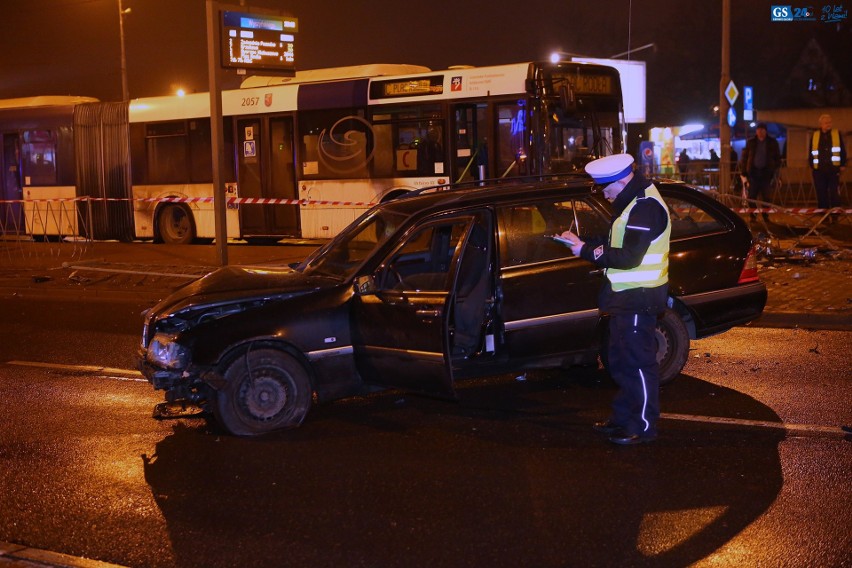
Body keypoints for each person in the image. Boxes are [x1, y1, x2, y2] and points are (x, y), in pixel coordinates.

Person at [560, 154, 671, 446]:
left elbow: (628, 258)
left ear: (622, 181)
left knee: (637, 364)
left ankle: (643, 426)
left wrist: (585, 251)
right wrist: (582, 241)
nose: (606, 197)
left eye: (607, 190)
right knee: (622, 364)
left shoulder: (645, 208)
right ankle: (623, 419)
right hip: (626, 298)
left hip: (639, 297)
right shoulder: (633, 204)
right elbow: (616, 243)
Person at [739, 123, 781, 222]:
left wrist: (775, 170)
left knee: (766, 197)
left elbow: (777, 158)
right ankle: (753, 216)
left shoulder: (772, 142)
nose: (760, 132)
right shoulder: (751, 142)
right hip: (753, 173)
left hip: (766, 173)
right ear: (756, 132)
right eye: (758, 130)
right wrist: (744, 171)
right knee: (751, 196)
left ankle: (765, 215)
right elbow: (745, 157)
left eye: (762, 130)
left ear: (766, 131)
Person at [809, 113, 847, 210]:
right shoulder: (815, 135)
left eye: (830, 122)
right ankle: (823, 216)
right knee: (821, 193)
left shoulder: (836, 134)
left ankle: (835, 215)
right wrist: (812, 165)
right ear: (821, 124)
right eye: (826, 123)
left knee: (834, 193)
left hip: (833, 169)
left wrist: (842, 164)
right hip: (819, 170)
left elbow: (842, 149)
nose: (828, 124)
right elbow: (811, 151)